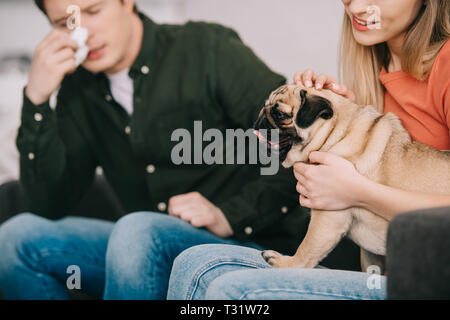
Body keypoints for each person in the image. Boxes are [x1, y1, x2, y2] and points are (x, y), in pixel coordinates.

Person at [0, 0, 362, 300]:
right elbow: (47, 205)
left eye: (92, 11)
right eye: (66, 22)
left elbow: (298, 146)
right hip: (147, 249)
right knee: (16, 239)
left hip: (252, 244)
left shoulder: (205, 48)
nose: (83, 32)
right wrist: (36, 100)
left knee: (136, 232)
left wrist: (229, 214)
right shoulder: (78, 90)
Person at [167, 0, 450, 300]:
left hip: (432, 281)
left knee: (231, 290)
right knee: (193, 264)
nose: (357, 5)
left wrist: (357, 191)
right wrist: (344, 110)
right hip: (387, 273)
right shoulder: (375, 71)